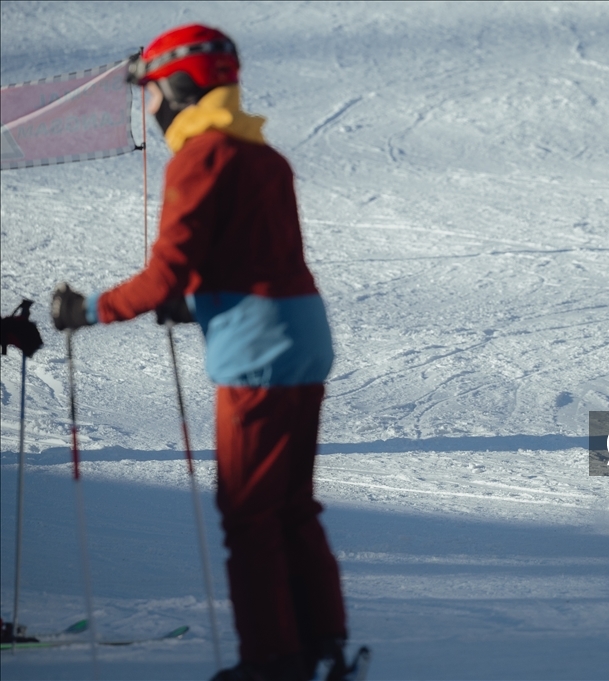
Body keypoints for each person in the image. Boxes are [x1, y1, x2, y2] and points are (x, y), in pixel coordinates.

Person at [50, 24, 350, 681]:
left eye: (153, 91)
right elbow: (252, 252)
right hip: (303, 335)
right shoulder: (259, 152)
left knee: (248, 510)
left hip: (259, 351)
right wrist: (199, 295)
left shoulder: (203, 155)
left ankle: (272, 661)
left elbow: (165, 272)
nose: (150, 106)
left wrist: (89, 309)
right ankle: (321, 637)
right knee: (292, 503)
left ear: (181, 86)